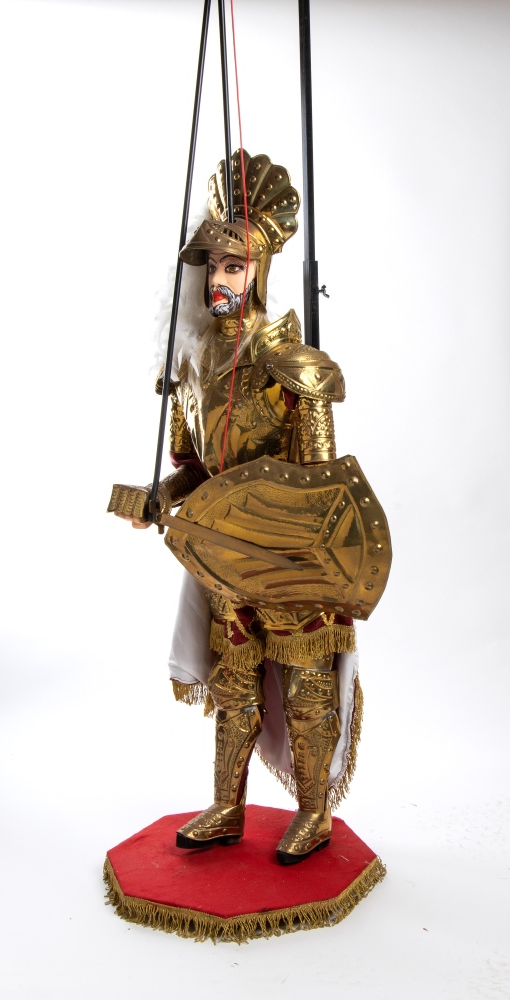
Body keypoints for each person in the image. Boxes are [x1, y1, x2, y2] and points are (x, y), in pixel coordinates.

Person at [113, 151, 363, 865]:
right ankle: (227, 806)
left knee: (306, 687)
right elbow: (194, 472)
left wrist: (300, 553)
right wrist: (156, 499)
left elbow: (322, 486)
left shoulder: (293, 367)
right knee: (234, 684)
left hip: (290, 559)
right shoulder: (189, 365)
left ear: (260, 270)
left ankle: (312, 812)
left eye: (235, 266)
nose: (221, 281)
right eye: (213, 267)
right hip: (224, 559)